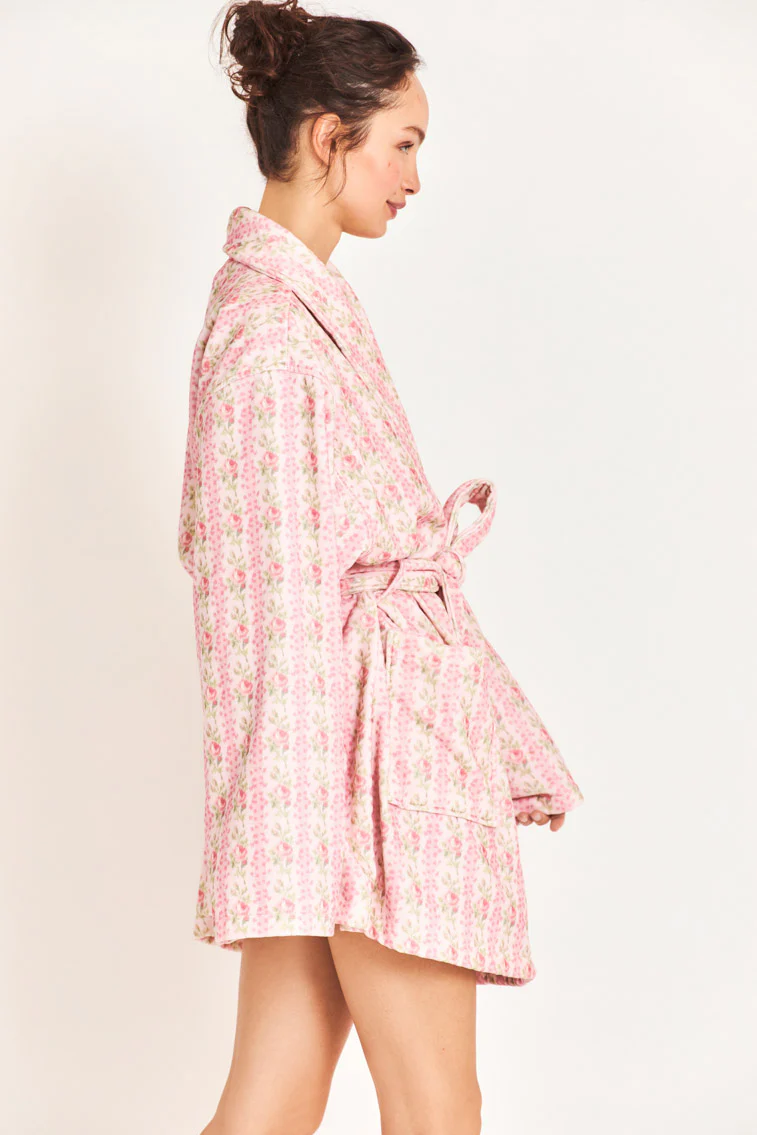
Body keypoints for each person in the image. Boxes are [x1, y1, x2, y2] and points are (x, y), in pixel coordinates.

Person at [176, 2, 585, 1132]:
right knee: (436, 1103)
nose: (413, 177)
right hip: (367, 775)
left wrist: (502, 735)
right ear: (328, 137)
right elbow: (263, 602)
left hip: (355, 761)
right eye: (402, 143)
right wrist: (290, 833)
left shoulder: (290, 316)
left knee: (274, 1095)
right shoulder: (269, 340)